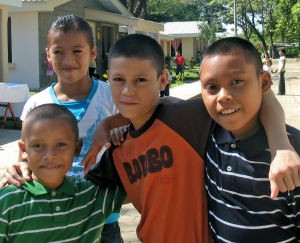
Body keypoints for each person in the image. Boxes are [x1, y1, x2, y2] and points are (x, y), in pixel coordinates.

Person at [82, 34, 299, 242]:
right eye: (118, 79)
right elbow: (84, 193)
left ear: (163, 79)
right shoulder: (118, 147)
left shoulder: (187, 119)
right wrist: (107, 125)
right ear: (108, 78)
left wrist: (280, 146)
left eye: (140, 79)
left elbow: (263, 95)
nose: (128, 90)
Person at [0, 15, 123, 243]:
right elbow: (26, 160)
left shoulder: (112, 98)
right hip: (50, 217)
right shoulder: (36, 106)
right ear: (48, 55)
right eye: (58, 52)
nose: (68, 59)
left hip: (100, 215)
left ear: (93, 53)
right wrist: (16, 170)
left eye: (77, 51)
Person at [200, 37, 300, 242]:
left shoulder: (292, 154)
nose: (223, 96)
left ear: (263, 82)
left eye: (236, 82)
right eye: (212, 87)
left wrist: (280, 145)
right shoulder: (207, 133)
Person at [0, 104, 126, 242]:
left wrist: (111, 126)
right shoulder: (7, 200)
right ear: (24, 150)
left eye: (60, 144)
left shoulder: (94, 195)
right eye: (38, 145)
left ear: (77, 148)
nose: (49, 155)